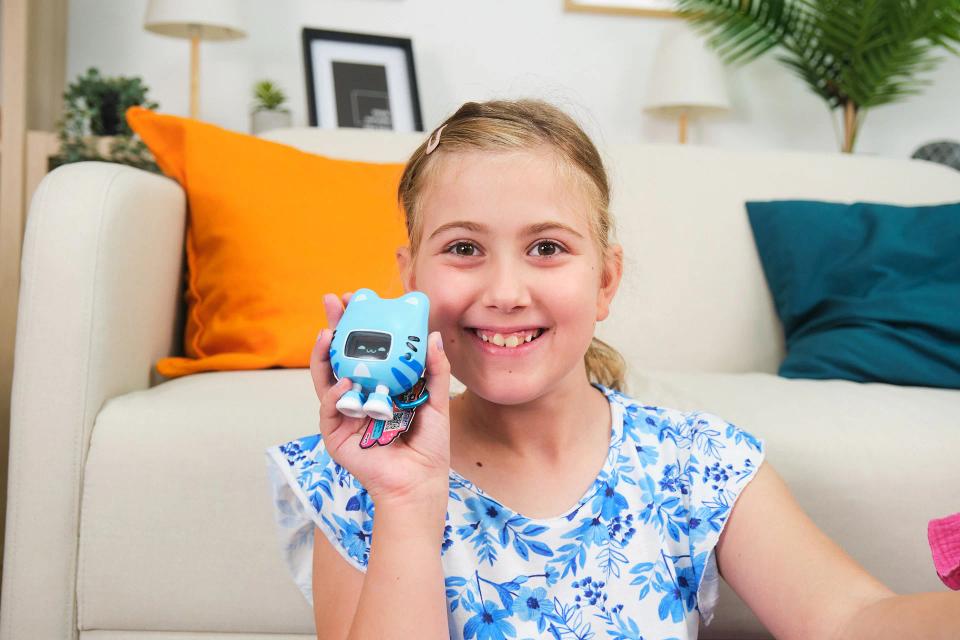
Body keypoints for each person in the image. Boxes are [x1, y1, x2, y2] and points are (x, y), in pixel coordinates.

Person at [265, 99, 959, 640]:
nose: (506, 291)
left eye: (545, 247)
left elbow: (851, 620)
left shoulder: (696, 462)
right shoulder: (362, 479)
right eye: (465, 247)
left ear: (605, 282)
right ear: (408, 279)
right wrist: (408, 506)